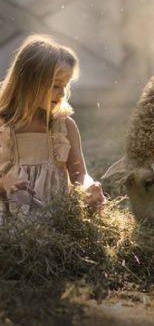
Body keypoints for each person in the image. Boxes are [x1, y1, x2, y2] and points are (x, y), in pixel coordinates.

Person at [0, 35, 105, 219]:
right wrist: (4, 184)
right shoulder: (3, 128)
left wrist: (89, 187)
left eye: (65, 85)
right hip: (10, 219)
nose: (63, 93)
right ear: (28, 81)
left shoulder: (63, 128)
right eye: (56, 85)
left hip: (55, 219)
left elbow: (80, 174)